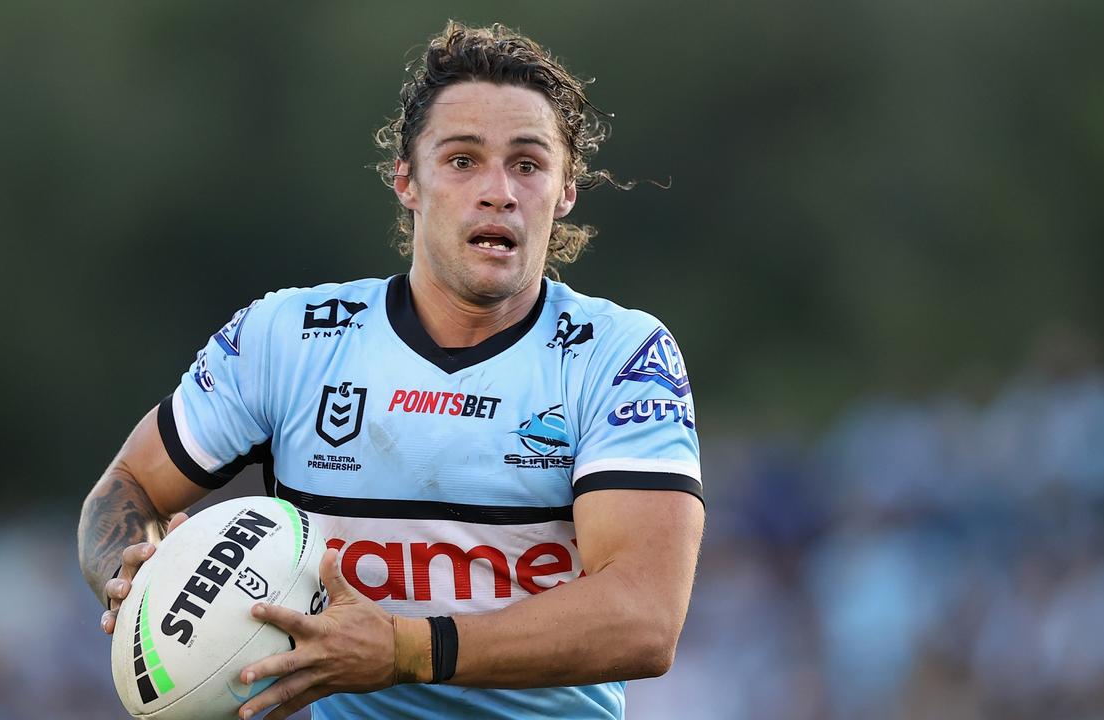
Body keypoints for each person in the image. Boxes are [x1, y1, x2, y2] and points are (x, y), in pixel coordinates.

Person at [78, 20, 705, 720]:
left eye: (527, 164)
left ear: (565, 193)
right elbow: (127, 486)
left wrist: (407, 649)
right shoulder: (288, 338)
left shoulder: (618, 354)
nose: (498, 191)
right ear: (406, 180)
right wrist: (125, 571)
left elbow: (645, 619)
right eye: (462, 160)